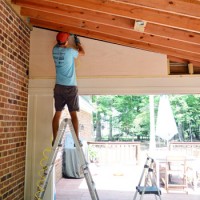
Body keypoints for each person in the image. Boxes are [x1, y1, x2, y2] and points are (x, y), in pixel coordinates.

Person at [52, 32, 85, 146]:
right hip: (70, 87)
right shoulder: (70, 51)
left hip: (59, 87)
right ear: (66, 42)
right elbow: (82, 53)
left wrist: (67, 40)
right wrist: (78, 43)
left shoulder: (54, 50)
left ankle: (55, 140)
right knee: (73, 115)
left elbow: (61, 45)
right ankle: (76, 141)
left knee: (57, 113)